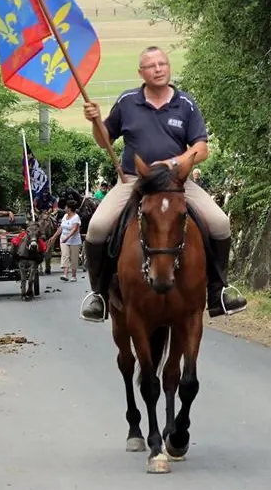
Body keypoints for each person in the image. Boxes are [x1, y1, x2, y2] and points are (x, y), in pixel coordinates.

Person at [78, 45, 247, 322]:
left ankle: (218, 291)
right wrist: (95, 122)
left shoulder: (186, 103)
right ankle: (99, 295)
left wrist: (173, 163)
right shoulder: (127, 101)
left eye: (162, 64)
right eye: (151, 66)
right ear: (141, 73)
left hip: (176, 183)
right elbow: (104, 140)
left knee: (220, 223)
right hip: (134, 181)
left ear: (169, 67)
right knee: (97, 227)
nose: (158, 69)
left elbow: (201, 148)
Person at [50, 199, 82, 282]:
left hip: (74, 240)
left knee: (74, 258)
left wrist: (67, 238)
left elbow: (74, 229)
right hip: (63, 239)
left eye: (66, 207)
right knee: (65, 255)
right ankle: (65, 274)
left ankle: (74, 276)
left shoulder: (76, 217)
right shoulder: (65, 216)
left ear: (69, 208)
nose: (64, 208)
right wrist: (54, 237)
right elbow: (61, 227)